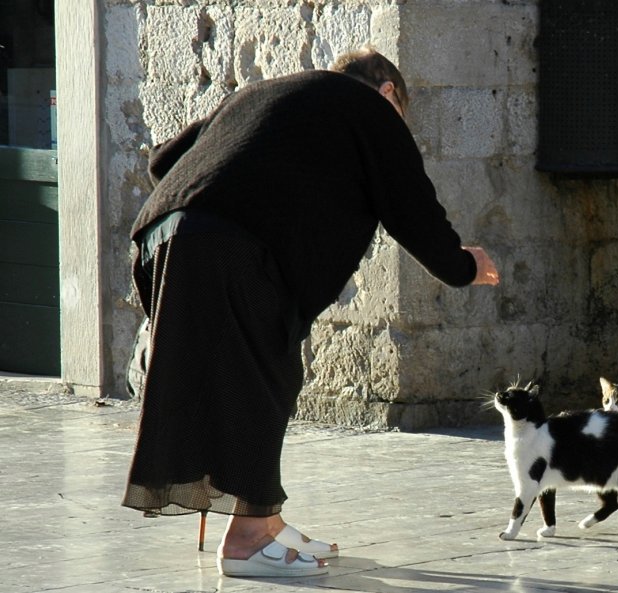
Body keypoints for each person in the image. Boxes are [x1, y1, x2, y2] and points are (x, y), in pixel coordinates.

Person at [121, 47, 499, 579]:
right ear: (389, 92)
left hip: (163, 235)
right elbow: (412, 209)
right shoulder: (371, 111)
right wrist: (463, 265)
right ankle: (248, 541)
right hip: (226, 246)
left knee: (263, 372)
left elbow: (164, 160)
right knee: (260, 379)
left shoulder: (264, 92)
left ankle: (265, 522)